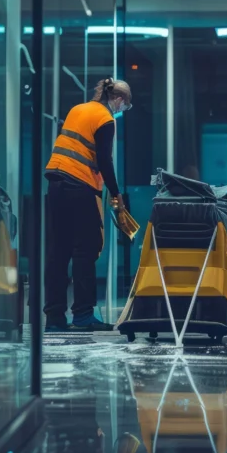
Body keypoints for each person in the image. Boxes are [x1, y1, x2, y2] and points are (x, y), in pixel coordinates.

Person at [43, 77, 132, 332]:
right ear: (118, 99)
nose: (122, 109)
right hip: (79, 187)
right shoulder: (105, 119)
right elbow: (104, 160)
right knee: (86, 250)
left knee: (58, 252)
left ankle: (55, 318)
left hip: (56, 183)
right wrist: (116, 195)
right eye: (125, 105)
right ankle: (83, 315)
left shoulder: (77, 109)